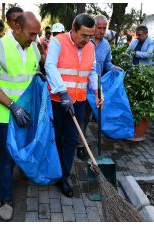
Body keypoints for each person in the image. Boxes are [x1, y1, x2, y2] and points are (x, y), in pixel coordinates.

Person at [0, 11, 41, 221]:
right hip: (7, 114)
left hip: (27, 112)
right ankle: (5, 199)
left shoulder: (33, 46)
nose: (35, 39)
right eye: (32, 34)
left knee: (24, 148)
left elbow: (32, 72)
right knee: (6, 157)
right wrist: (13, 106)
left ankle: (25, 174)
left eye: (37, 34)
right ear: (16, 27)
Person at [45, 13, 104, 198]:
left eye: (90, 36)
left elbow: (92, 71)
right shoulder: (58, 41)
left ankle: (64, 177)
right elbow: (50, 66)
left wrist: (97, 91)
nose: (87, 40)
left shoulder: (90, 47)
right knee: (55, 138)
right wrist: (62, 92)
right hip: (57, 101)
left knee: (70, 139)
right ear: (73, 30)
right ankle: (51, 172)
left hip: (78, 101)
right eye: (84, 35)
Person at [77, 14, 122, 160]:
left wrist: (113, 67)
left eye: (104, 28)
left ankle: (80, 145)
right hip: (78, 85)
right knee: (77, 117)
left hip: (94, 88)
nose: (102, 31)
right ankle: (75, 142)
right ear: (93, 27)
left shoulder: (106, 45)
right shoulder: (83, 40)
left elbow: (107, 63)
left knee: (86, 117)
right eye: (99, 28)